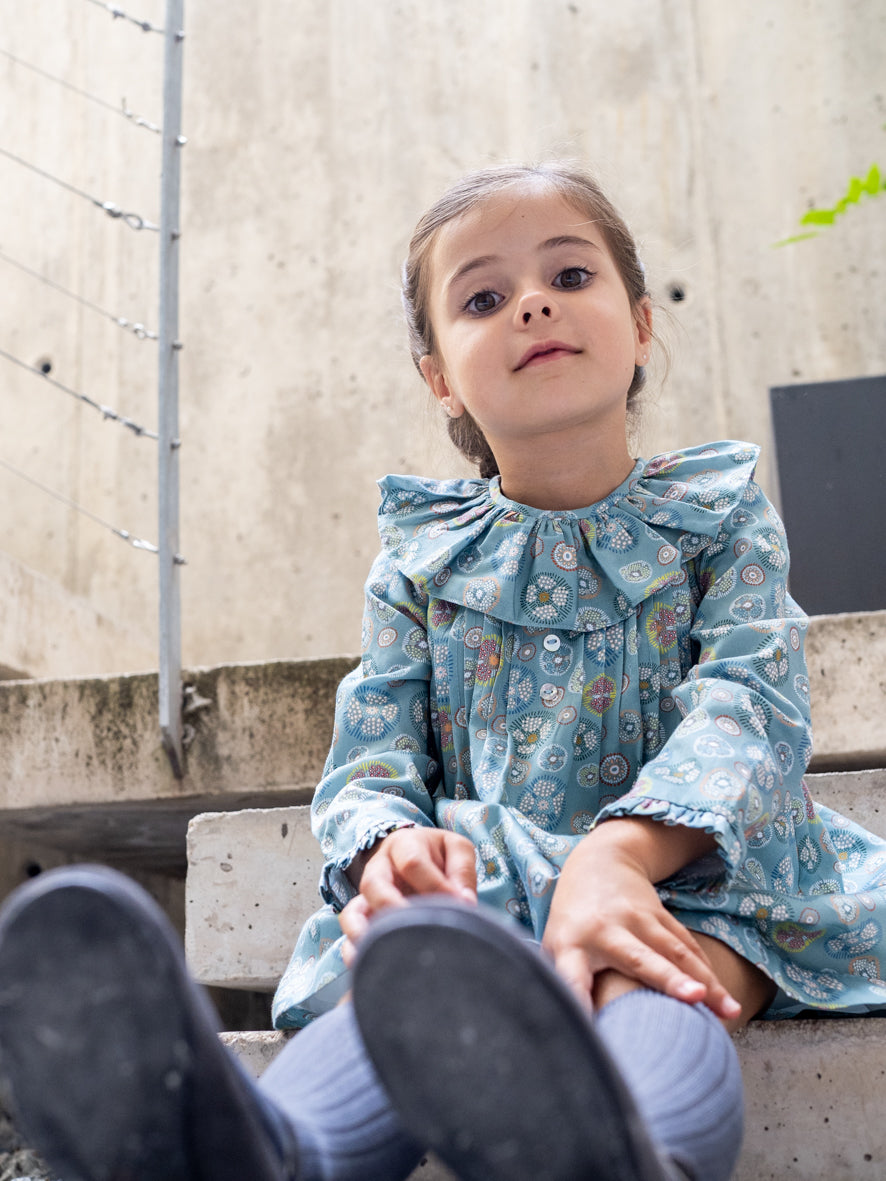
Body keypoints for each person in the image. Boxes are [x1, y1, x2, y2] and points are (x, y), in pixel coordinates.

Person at [2, 162, 886, 1181]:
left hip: (694, 872)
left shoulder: (716, 514)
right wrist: (389, 847)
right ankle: (262, 1152)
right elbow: (372, 749)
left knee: (648, 970)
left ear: (640, 324)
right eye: (482, 296)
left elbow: (747, 704)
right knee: (410, 974)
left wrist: (618, 859)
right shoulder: (420, 560)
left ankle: (625, 1155)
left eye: (569, 272)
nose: (533, 302)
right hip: (485, 890)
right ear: (440, 377)